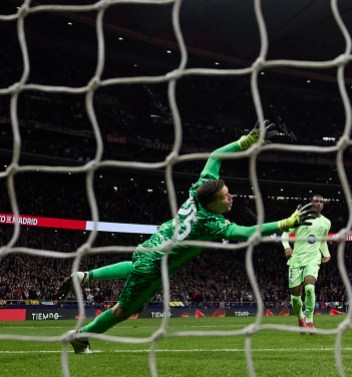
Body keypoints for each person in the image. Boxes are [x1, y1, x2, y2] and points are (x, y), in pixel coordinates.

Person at [56, 122, 315, 354]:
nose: (231, 197)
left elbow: (215, 156)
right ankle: (80, 338)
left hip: (154, 243)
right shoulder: (209, 224)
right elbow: (247, 233)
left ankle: (86, 277)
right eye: (226, 196)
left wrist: (245, 142)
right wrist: (287, 223)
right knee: (123, 311)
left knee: (134, 268)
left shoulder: (199, 189)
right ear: (213, 204)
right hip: (156, 265)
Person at [282, 193, 331, 335]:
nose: (319, 204)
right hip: (296, 260)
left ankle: (309, 321)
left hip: (313, 259)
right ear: (310, 203)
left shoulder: (326, 222)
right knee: (295, 297)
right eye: (316, 201)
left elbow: (322, 240)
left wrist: (326, 254)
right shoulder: (299, 216)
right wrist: (287, 247)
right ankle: (300, 318)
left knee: (310, 288)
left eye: (321, 202)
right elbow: (285, 234)